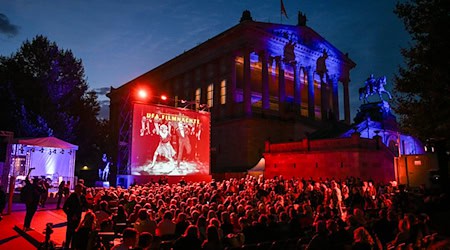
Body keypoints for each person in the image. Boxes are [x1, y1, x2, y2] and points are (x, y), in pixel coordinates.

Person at [63, 183, 87, 249]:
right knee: (69, 233)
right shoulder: (72, 196)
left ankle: (74, 246)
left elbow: (85, 205)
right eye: (78, 188)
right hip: (71, 218)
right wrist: (71, 215)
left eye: (81, 188)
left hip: (78, 217)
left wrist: (84, 208)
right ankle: (67, 246)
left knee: (76, 233)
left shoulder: (83, 197)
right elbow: (64, 207)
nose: (80, 189)